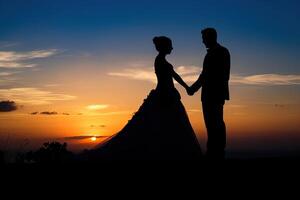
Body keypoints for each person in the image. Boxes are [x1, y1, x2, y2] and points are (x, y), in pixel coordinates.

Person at [87, 36, 202, 160]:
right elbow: (172, 77)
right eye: (170, 46)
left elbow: (175, 76)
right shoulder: (160, 61)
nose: (172, 48)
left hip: (167, 95)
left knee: (166, 127)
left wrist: (186, 87)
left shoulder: (162, 61)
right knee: (161, 126)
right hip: (164, 96)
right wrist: (186, 88)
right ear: (164, 47)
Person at [187, 28, 230, 160]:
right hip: (213, 94)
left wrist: (193, 89)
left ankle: (215, 153)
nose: (202, 41)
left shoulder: (218, 53)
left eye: (204, 38)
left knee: (214, 125)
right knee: (214, 124)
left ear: (210, 37)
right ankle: (215, 152)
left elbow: (206, 76)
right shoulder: (221, 52)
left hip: (212, 95)